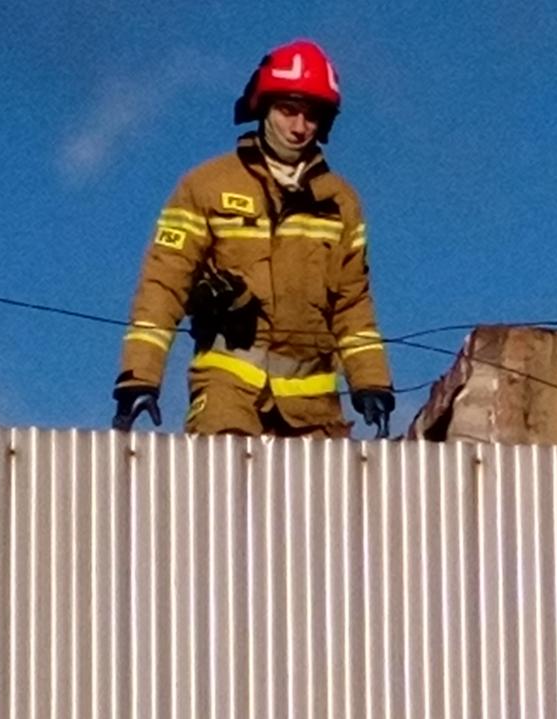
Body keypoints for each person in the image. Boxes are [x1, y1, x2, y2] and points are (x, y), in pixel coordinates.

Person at [112, 39, 396, 438]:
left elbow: (353, 306)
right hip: (228, 395)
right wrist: (138, 377)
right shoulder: (206, 186)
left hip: (314, 412)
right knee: (225, 493)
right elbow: (163, 285)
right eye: (288, 111)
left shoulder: (341, 203)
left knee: (323, 501)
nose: (299, 127)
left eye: (311, 116)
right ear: (263, 106)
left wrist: (371, 383)